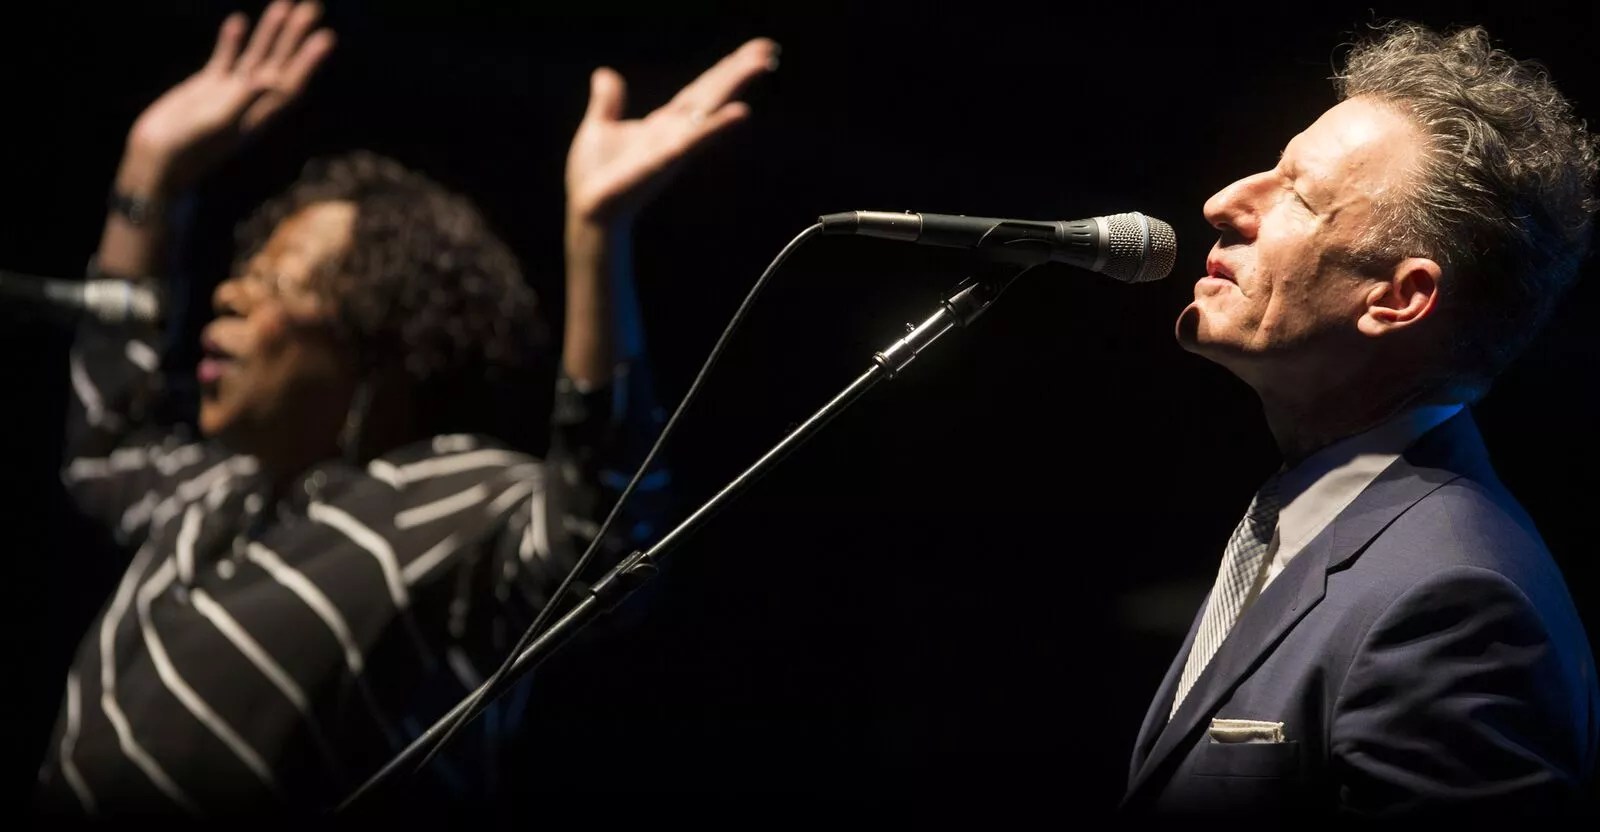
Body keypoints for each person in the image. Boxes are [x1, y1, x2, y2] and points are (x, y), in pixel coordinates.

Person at [32, 0, 778, 815]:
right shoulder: (219, 495)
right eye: (243, 273)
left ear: (378, 344)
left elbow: (600, 545)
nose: (230, 295)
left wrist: (596, 239)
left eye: (278, 280)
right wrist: (149, 172)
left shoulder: (454, 498)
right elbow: (111, 439)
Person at [1122, 21, 1600, 818]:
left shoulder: (1455, 603)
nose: (1224, 202)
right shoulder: (1311, 521)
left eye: (1298, 195)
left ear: (1397, 299)